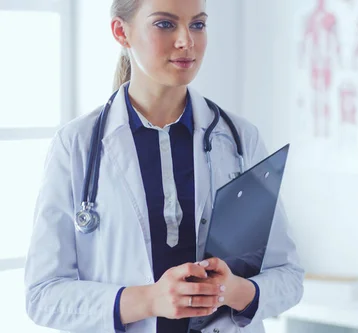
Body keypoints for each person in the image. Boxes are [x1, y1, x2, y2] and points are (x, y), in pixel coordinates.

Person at [24, 0, 304, 332]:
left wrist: (234, 290)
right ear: (121, 32)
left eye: (198, 25)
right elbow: (42, 296)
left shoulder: (241, 139)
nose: (187, 41)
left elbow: (288, 276)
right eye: (165, 24)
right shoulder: (76, 145)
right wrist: (149, 300)